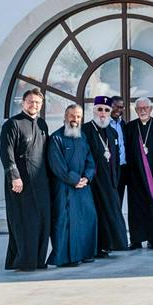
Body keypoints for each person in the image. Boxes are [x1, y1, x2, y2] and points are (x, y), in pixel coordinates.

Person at [0, 88, 51, 271]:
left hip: (41, 182)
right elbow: (6, 154)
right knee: (23, 221)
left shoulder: (43, 124)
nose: (34, 105)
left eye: (37, 102)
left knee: (43, 221)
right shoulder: (12, 124)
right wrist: (14, 177)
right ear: (23, 102)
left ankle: (38, 260)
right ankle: (23, 261)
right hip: (20, 183)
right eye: (31, 101)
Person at [47, 105, 97, 267]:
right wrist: (75, 180)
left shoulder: (82, 137)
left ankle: (86, 253)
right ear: (65, 116)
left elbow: (91, 161)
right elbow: (57, 166)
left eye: (79, 117)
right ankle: (66, 258)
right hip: (64, 188)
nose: (75, 120)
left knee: (88, 219)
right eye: (72, 116)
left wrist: (86, 178)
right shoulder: (56, 138)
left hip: (83, 188)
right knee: (65, 222)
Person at [82, 96, 128, 257]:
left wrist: (115, 179)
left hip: (110, 180)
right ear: (94, 110)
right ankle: (93, 247)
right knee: (95, 215)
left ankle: (107, 245)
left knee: (109, 213)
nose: (103, 113)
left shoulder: (113, 132)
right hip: (92, 182)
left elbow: (115, 158)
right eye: (100, 109)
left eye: (106, 110)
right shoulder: (85, 130)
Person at [125, 97, 153, 250]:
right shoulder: (129, 128)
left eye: (145, 108)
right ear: (136, 110)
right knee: (136, 209)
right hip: (135, 177)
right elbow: (126, 154)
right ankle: (136, 240)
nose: (143, 110)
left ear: (151, 109)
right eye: (139, 108)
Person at [110, 96, 129, 205]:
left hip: (122, 169)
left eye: (121, 107)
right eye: (115, 106)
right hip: (110, 169)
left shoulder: (122, 124)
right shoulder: (104, 124)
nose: (118, 110)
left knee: (119, 201)